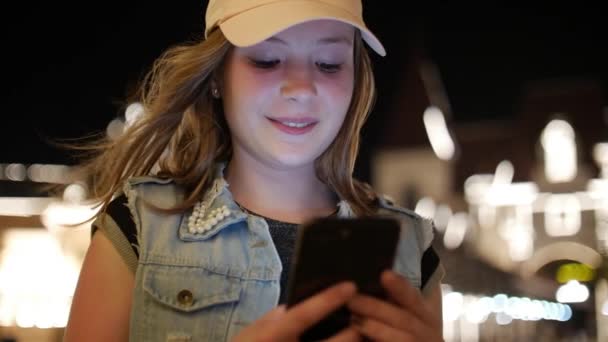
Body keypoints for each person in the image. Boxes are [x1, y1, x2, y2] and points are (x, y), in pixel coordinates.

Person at [63, 0, 446, 341]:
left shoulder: (411, 249)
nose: (301, 87)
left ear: (356, 79)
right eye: (267, 60)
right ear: (216, 76)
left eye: (328, 63)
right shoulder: (138, 230)